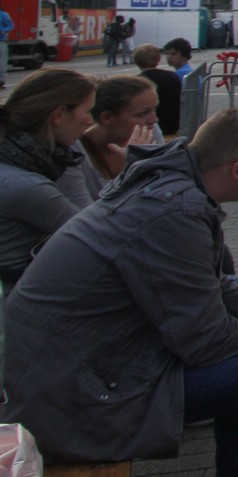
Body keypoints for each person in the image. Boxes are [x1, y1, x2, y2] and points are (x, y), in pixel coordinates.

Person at [2, 108, 238, 473]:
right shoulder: (174, 212)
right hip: (75, 397)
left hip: (82, 366)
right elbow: (204, 340)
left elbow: (211, 283)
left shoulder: (165, 187)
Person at [0, 68, 95, 292]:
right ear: (59, 115)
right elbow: (98, 236)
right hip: (22, 300)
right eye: (87, 111)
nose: (90, 121)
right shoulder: (27, 186)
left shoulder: (15, 161)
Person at [58, 75, 162, 209]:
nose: (154, 119)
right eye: (142, 114)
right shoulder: (73, 152)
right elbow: (83, 215)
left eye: (155, 110)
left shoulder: (150, 130)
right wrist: (136, 168)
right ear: (106, 118)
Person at [132, 42, 184, 138]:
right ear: (158, 58)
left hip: (150, 130)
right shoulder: (172, 76)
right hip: (174, 126)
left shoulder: (137, 82)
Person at [0, 3, 11, 88]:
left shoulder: (3, 15)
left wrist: (3, 31)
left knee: (2, 62)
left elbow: (10, 25)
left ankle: (1, 80)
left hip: (1, 41)